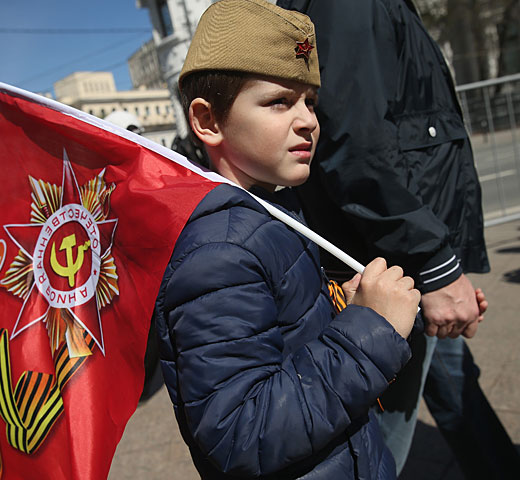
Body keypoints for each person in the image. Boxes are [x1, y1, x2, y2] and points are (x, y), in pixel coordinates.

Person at [153, 1, 423, 478]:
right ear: (208, 121)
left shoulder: (272, 209)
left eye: (310, 102)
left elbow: (293, 348)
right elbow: (240, 432)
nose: (308, 121)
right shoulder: (219, 251)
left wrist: (352, 309)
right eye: (279, 102)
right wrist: (369, 332)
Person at [275, 0, 520, 477]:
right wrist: (436, 264)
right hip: (394, 261)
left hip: (401, 253)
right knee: (373, 444)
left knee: (452, 385)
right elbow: (358, 148)